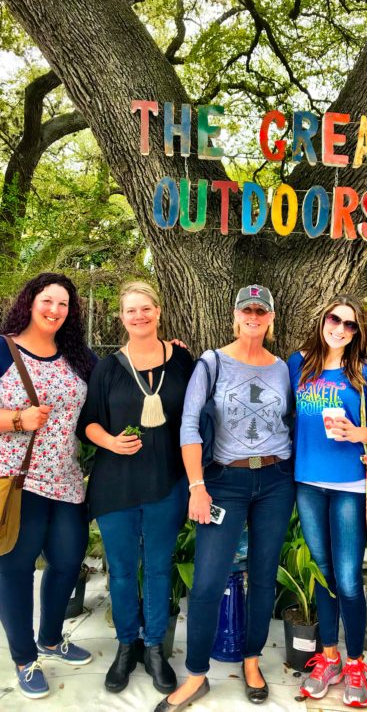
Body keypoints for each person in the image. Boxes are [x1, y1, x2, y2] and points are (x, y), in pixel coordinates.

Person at [155, 284, 295, 711]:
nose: (254, 316)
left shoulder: (283, 369)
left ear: (271, 319)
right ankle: (197, 676)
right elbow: (189, 428)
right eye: (246, 309)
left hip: (275, 480)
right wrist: (197, 486)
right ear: (235, 316)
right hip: (224, 484)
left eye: (261, 310)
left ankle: (252, 660)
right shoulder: (211, 363)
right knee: (208, 581)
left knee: (264, 575)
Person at [79, 281, 194, 695]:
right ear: (122, 317)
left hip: (167, 483)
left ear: (159, 312)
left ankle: (155, 649)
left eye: (146, 309)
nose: (139, 316)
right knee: (124, 572)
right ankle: (127, 646)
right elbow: (88, 421)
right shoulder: (108, 368)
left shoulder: (182, 360)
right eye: (131, 311)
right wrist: (109, 441)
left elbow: (198, 416)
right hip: (116, 488)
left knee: (160, 569)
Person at [287, 294, 367, 708]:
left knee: (347, 579)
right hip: (306, 481)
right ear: (322, 319)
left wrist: (360, 433)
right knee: (325, 575)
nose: (341, 329)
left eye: (350, 325)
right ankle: (328, 658)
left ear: (358, 333)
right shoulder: (298, 364)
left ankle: (356, 663)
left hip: (349, 484)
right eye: (335, 320)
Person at [0, 273, 95, 700]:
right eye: (47, 300)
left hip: (67, 480)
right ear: (30, 302)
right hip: (19, 481)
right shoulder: (3, 350)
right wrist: (18, 419)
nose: (54, 310)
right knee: (16, 570)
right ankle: (24, 657)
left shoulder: (77, 356)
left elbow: (121, 378)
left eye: (63, 304)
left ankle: (51, 639)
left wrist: (171, 353)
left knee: (67, 560)